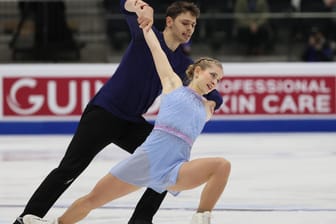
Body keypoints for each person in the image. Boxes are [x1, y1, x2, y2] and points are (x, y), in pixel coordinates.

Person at [12, 1, 223, 224]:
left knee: (165, 166)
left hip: (131, 122)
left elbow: (214, 96)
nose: (189, 29)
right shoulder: (145, 35)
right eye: (185, 23)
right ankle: (27, 217)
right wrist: (142, 7)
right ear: (169, 22)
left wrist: (211, 105)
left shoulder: (183, 63)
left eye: (193, 25)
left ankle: (140, 220)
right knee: (70, 168)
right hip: (104, 112)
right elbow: (125, 5)